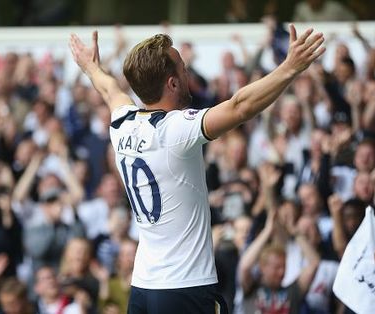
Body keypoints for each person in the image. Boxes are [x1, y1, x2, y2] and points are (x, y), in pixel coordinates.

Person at [69, 24, 325, 314]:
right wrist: (290, 67)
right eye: (182, 67)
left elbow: (109, 88)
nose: (187, 72)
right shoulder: (175, 130)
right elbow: (240, 106)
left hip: (143, 287)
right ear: (172, 83)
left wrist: (90, 67)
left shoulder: (122, 123)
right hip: (184, 288)